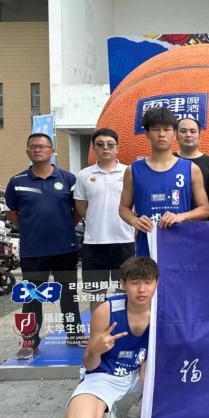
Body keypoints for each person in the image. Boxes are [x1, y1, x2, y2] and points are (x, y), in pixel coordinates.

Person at [4, 133, 84, 357]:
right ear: (27, 151)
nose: (37, 150)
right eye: (33, 147)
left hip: (65, 248)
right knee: (31, 297)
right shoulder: (17, 181)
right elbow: (11, 212)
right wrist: (30, 228)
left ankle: (74, 334)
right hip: (33, 250)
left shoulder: (68, 179)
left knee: (69, 294)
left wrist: (64, 227)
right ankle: (30, 340)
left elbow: (78, 210)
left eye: (42, 146)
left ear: (52, 151)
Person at [64, 256, 158, 418]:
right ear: (123, 284)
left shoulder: (163, 309)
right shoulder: (106, 310)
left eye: (148, 282)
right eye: (135, 283)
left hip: (144, 372)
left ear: (157, 283)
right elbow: (90, 364)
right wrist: (95, 350)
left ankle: (146, 400)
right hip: (107, 373)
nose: (142, 289)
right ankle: (107, 408)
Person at [119, 107, 209, 257]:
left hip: (182, 247)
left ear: (175, 134)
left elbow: (204, 209)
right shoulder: (133, 170)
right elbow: (123, 208)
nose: (161, 134)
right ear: (147, 134)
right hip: (147, 246)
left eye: (167, 129)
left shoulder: (191, 168)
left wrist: (181, 216)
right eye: (155, 129)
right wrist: (134, 220)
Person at [74, 128, 135, 311]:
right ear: (93, 148)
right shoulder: (84, 175)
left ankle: (122, 327)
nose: (105, 148)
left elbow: (136, 205)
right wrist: (98, 219)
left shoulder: (129, 172)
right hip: (94, 242)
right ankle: (99, 328)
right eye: (100, 145)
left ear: (117, 148)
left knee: (124, 290)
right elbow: (81, 207)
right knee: (96, 293)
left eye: (110, 144)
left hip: (124, 241)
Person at [173, 117, 209, 199]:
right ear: (176, 136)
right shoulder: (169, 160)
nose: (188, 135)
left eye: (193, 131)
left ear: (199, 137)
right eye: (183, 131)